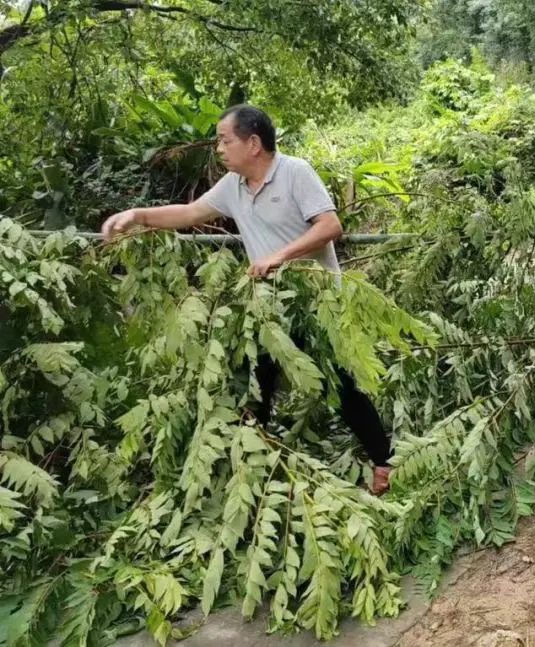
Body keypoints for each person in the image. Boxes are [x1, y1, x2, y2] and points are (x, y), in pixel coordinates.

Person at [101, 104, 394, 494]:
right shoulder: (233, 186)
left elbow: (330, 226)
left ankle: (383, 463)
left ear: (253, 143)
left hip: (315, 302)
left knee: (340, 385)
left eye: (225, 140)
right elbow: (189, 213)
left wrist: (277, 256)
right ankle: (250, 469)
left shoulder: (295, 173)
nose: (219, 149)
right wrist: (137, 214)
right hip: (265, 307)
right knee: (255, 383)